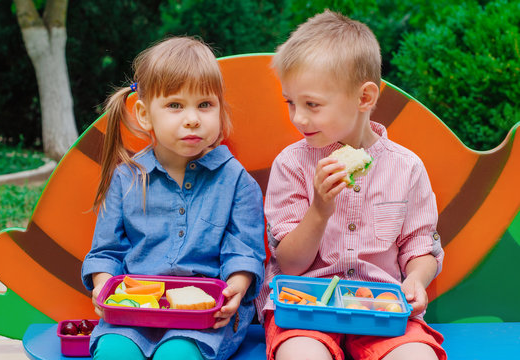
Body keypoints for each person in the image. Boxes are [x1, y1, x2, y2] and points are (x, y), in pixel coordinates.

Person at [255, 10, 446, 360]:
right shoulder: (292, 164)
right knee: (301, 355)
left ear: (364, 98)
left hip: (382, 310)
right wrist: (319, 210)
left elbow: (420, 246)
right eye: (291, 103)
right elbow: (291, 264)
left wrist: (417, 279)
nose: (298, 117)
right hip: (305, 306)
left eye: (312, 104)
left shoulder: (406, 168)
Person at [81, 36, 266, 360]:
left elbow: (244, 251)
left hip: (204, 317)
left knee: (177, 355)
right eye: (175, 105)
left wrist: (235, 289)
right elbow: (107, 250)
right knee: (114, 353)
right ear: (144, 114)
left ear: (220, 109)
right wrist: (103, 285)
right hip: (133, 312)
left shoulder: (236, 181)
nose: (192, 118)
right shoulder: (127, 179)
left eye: (205, 104)